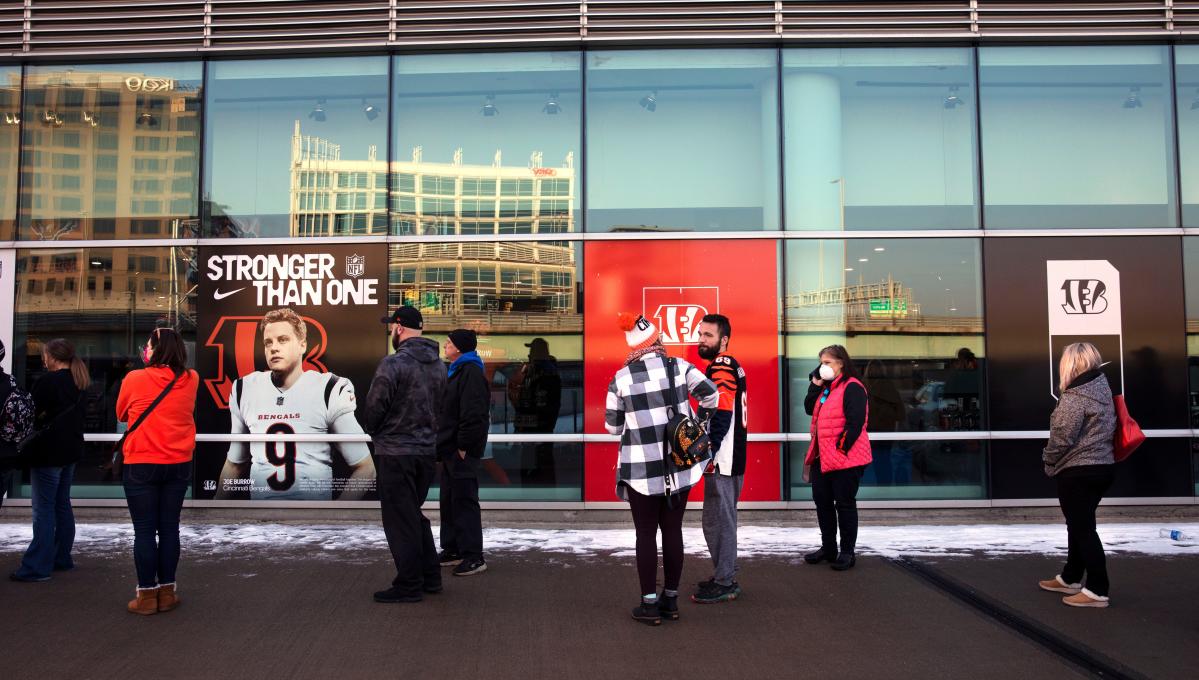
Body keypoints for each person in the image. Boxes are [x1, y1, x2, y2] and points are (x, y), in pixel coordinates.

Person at [605, 313, 718, 625]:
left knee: (645, 535)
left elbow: (612, 428)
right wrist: (697, 421)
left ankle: (648, 604)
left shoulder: (622, 378)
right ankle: (671, 600)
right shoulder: (680, 368)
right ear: (656, 341)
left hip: (641, 471)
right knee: (673, 531)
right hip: (679, 467)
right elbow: (711, 395)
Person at [216, 307, 375, 501]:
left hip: (311, 519)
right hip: (260, 519)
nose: (274, 347)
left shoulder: (328, 389)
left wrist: (332, 516)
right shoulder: (245, 388)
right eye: (268, 342)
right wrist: (214, 510)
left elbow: (365, 468)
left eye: (283, 340)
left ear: (302, 345)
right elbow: (234, 464)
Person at [363, 306, 447, 604]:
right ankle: (430, 577)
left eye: (391, 328)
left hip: (395, 452)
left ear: (399, 328)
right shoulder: (440, 366)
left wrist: (375, 431)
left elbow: (374, 408)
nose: (391, 333)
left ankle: (409, 584)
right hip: (425, 453)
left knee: (401, 519)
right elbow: (442, 410)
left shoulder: (393, 364)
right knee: (412, 514)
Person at [115, 328, 199, 615]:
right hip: (177, 463)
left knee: (144, 530)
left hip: (141, 463)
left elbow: (121, 413)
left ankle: (147, 597)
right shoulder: (191, 379)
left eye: (148, 346)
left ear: (155, 349)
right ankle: (167, 592)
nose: (145, 350)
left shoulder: (135, 378)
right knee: (169, 528)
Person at [1039, 342, 1116, 608]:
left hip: (1078, 472)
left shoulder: (1076, 396)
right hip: (1102, 467)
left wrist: (1048, 459)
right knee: (1079, 524)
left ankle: (1097, 590)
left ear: (1070, 364)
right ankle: (1070, 577)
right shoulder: (1101, 390)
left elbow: (1062, 437)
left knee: (1083, 529)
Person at [10, 338, 88, 582]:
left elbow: (29, 413)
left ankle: (37, 567)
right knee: (62, 504)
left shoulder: (47, 381)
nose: (43, 359)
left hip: (48, 453)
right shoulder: (80, 381)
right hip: (71, 451)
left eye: (45, 355)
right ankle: (61, 558)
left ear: (52, 357)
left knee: (43, 510)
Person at [692, 314, 748, 605]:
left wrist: (709, 447)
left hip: (724, 458)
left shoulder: (723, 364)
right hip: (728, 457)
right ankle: (723, 575)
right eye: (700, 334)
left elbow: (722, 409)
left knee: (719, 522)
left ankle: (726, 580)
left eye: (708, 335)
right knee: (716, 521)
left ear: (723, 339)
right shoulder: (725, 365)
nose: (701, 339)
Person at [802, 344, 872, 571]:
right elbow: (808, 408)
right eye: (821, 362)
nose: (824, 367)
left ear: (841, 363)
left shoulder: (853, 387)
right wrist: (816, 384)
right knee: (822, 503)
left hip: (845, 459)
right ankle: (828, 548)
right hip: (823, 458)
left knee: (845, 504)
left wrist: (839, 450)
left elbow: (856, 423)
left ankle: (847, 552)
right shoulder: (827, 389)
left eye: (828, 362)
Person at [436, 328, 490, 577]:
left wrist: (463, 446)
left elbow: (474, 413)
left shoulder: (470, 372)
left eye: (448, 343)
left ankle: (473, 556)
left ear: (458, 347)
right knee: (449, 500)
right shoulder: (456, 370)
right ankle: (453, 548)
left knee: (465, 501)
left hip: (461, 451)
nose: (445, 346)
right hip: (449, 448)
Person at [509, 337, 561, 484]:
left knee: (532, 464)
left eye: (531, 350)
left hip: (536, 426)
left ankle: (534, 490)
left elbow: (532, 402)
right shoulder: (550, 372)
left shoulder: (540, 373)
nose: (529, 354)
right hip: (543, 425)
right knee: (543, 462)